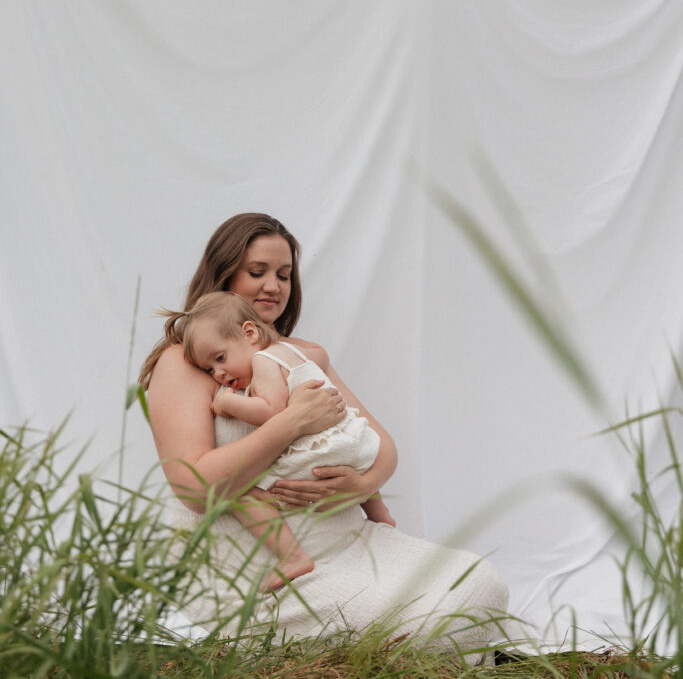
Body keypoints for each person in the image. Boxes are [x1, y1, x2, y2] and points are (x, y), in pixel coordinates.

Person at [140, 212, 508, 654]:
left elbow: (381, 446)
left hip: (346, 541)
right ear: (223, 274)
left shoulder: (301, 355)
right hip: (257, 564)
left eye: (284, 274)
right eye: (256, 272)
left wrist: (364, 484)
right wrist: (292, 421)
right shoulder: (188, 363)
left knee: (482, 586)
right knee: (441, 620)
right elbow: (194, 488)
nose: (273, 286)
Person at [161, 290, 384, 591]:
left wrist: (229, 404)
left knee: (241, 493)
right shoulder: (295, 352)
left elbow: (273, 410)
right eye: (210, 370)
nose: (219, 373)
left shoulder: (264, 362)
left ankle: (292, 557)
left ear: (249, 333)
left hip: (321, 453)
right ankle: (379, 514)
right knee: (352, 456)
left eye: (220, 358)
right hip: (352, 443)